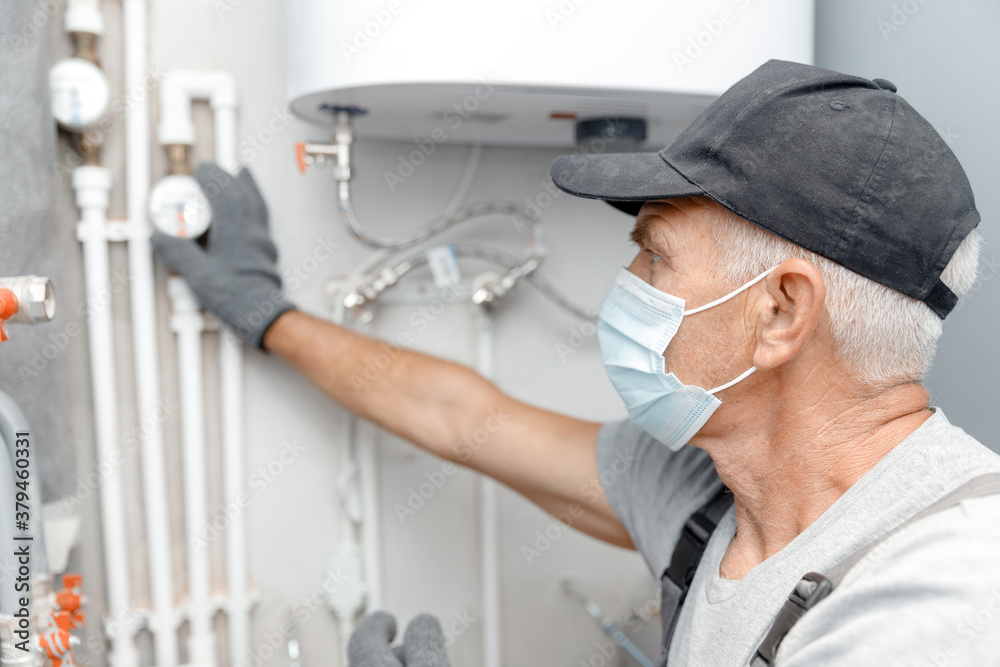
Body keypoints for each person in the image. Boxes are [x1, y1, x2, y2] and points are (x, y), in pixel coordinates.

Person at [153, 60, 1000, 666]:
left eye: (655, 256)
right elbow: (462, 416)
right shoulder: (714, 498)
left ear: (779, 311)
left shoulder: (940, 599)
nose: (625, 286)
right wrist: (270, 314)